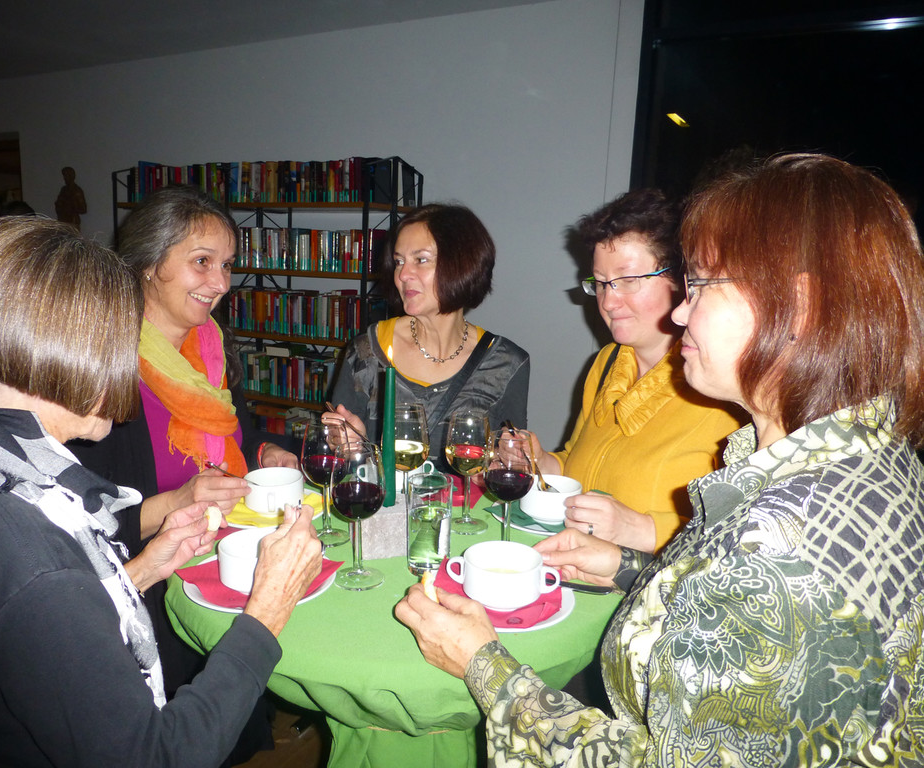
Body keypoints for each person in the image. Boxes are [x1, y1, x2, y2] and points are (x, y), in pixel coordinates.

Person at [395, 154, 924, 766]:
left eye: (702, 285)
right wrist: (627, 568)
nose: (680, 311)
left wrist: (483, 666)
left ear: (797, 305)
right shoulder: (874, 459)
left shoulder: (779, 552)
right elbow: (718, 610)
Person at [0, 216, 322, 766]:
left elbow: (43, 638)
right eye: (120, 342)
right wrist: (266, 614)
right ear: (66, 349)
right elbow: (157, 757)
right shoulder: (32, 561)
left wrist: (141, 570)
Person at [70, 185, 299, 754]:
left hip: (222, 559)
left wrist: (267, 451)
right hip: (150, 588)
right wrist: (177, 502)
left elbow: (238, 434)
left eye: (226, 265)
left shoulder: (212, 347)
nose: (220, 283)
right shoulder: (100, 367)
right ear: (148, 265)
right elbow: (80, 520)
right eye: (202, 262)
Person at [518, 189, 743, 553]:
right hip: (578, 568)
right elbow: (579, 464)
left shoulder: (725, 388)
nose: (608, 301)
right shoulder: (606, 362)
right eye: (601, 283)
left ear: (679, 279)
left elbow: (741, 528)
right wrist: (540, 461)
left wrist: (640, 529)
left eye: (627, 280)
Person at [316, 203, 530, 470]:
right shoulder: (367, 351)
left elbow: (511, 469)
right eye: (399, 261)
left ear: (463, 265)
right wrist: (350, 447)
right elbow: (337, 465)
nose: (403, 275)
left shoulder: (505, 364)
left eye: (421, 260)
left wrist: (510, 459)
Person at [54, 165, 87, 230]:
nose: (64, 178)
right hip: (62, 222)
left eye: (66, 176)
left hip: (72, 222)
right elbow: (58, 203)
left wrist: (72, 207)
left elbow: (83, 209)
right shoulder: (63, 190)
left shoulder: (77, 191)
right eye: (64, 176)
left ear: (71, 176)